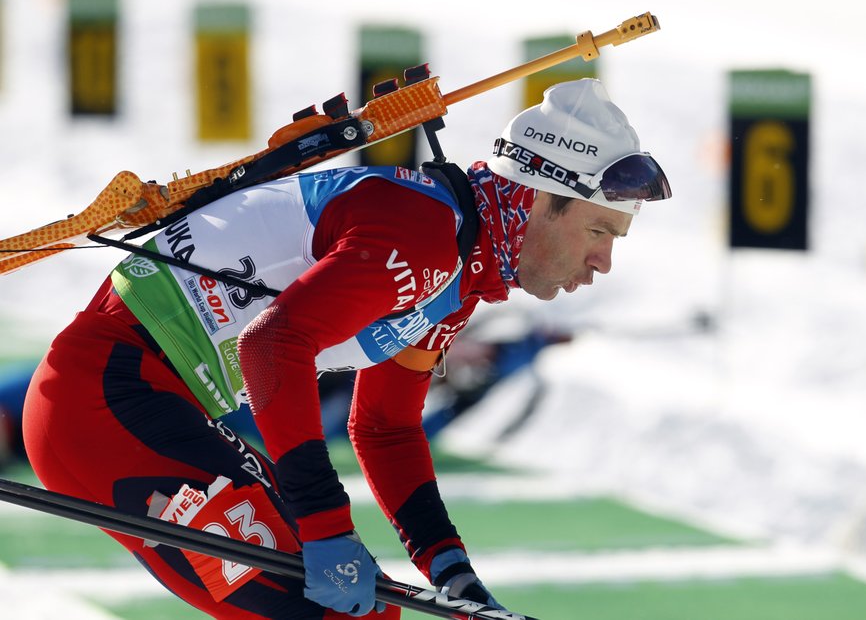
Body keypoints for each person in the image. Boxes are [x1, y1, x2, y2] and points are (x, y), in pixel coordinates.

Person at [21, 78, 671, 619]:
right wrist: (326, 522)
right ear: (539, 200)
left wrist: (451, 569)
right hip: (107, 401)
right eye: (599, 230)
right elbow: (272, 345)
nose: (603, 262)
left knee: (366, 610)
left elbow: (385, 426)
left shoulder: (456, 272)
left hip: (137, 406)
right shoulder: (422, 238)